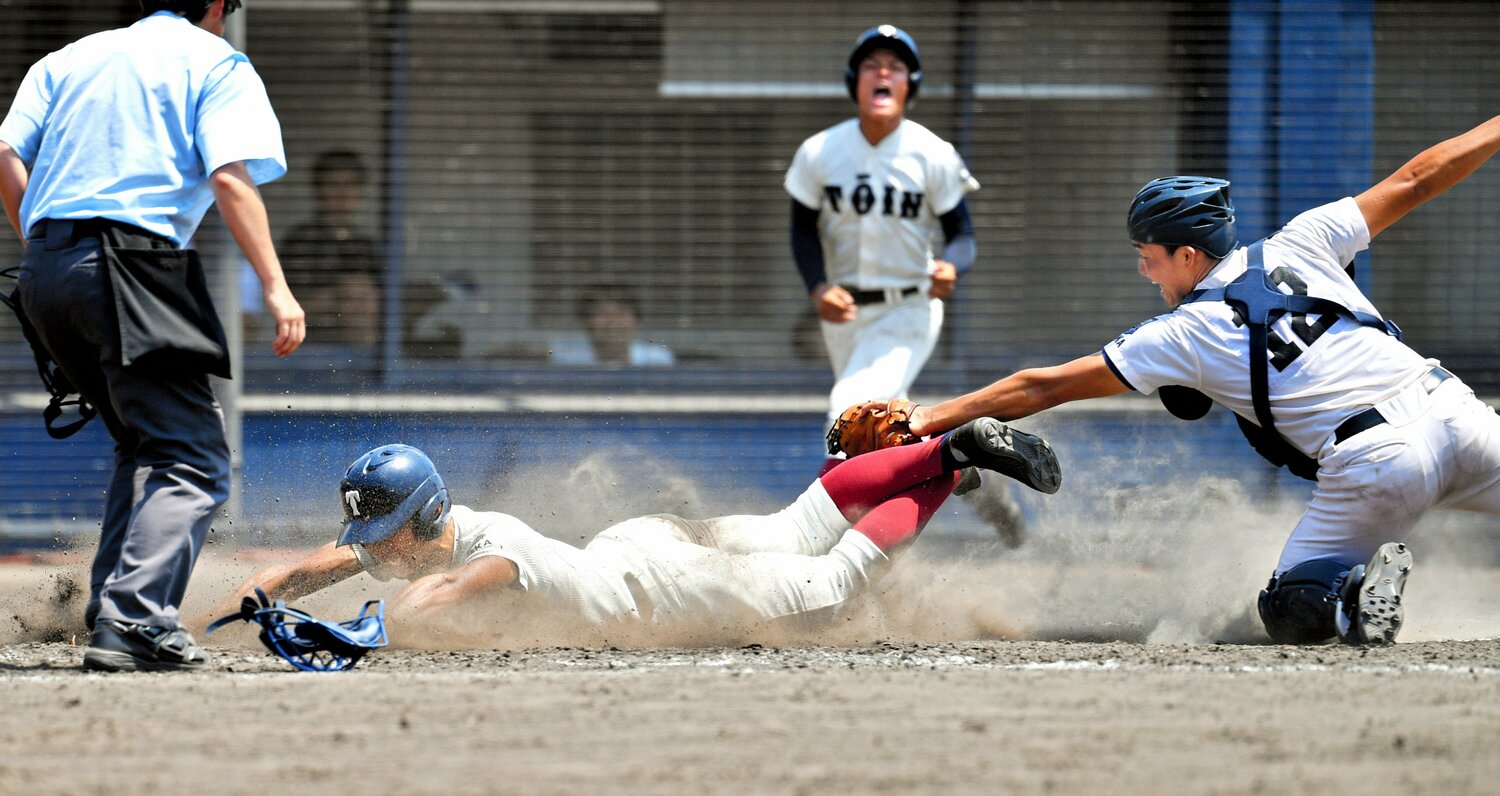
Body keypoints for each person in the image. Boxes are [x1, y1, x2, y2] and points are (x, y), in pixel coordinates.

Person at [868, 114, 1500, 646]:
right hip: (1453, 409)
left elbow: (1044, 387)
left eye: (1150, 258)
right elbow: (1418, 177)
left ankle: (1352, 601)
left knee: (1293, 608)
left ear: (1189, 255)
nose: (1146, 272)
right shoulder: (1304, 240)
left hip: (1375, 462)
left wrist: (927, 418)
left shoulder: (1184, 333)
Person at [0, 0, 306, 671]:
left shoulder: (71, 57)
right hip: (131, 262)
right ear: (217, 6)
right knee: (194, 455)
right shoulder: (216, 62)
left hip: (45, 267)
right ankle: (136, 620)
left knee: (143, 442)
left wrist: (48, 250)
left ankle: (112, 604)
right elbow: (230, 177)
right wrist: (277, 287)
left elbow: (5, 152)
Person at [204, 420, 1059, 641]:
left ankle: (948, 466)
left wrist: (357, 632)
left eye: (385, 534)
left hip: (673, 584)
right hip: (637, 545)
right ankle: (950, 453)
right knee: (801, 523)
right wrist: (255, 601)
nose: (372, 549)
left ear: (423, 522)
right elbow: (330, 561)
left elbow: (431, 603)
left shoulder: (491, 557)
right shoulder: (443, 526)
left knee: (833, 581)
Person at [783, 24, 1025, 547]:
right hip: (846, 313)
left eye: (895, 66)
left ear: (910, 84)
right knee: (892, 427)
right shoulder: (821, 150)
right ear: (856, 80)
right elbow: (802, 228)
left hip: (908, 306)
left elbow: (962, 234)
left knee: (851, 414)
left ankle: (819, 542)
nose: (884, 72)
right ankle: (965, 471)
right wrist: (816, 286)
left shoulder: (929, 151)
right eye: (873, 64)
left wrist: (953, 266)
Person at [278, 148, 383, 347]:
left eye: (351, 185)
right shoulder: (301, 242)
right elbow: (289, 302)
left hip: (363, 351)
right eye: (334, 185)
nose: (343, 194)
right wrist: (342, 294)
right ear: (319, 190)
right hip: (312, 349)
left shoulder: (365, 245)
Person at [549, 288, 675, 367]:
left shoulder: (657, 360)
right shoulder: (566, 362)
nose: (613, 322)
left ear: (636, 322)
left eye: (621, 313)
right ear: (586, 324)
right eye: (603, 313)